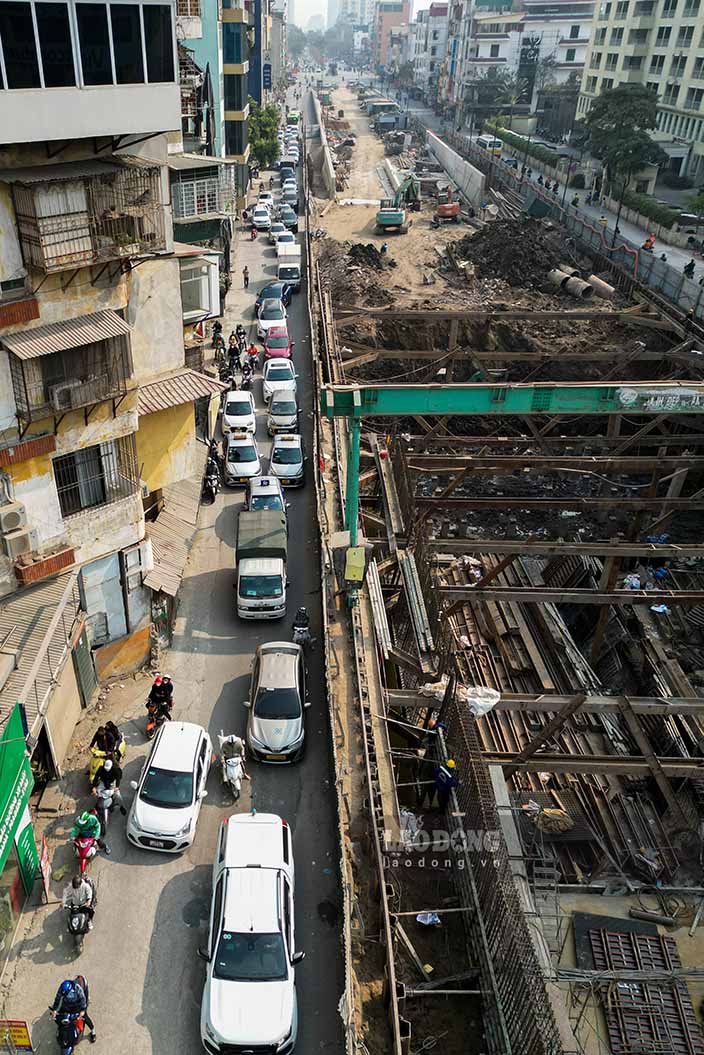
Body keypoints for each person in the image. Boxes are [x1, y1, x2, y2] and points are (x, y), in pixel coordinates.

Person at [50, 977, 96, 1044]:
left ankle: (93, 1031)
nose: (65, 995)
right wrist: (54, 1010)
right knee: (59, 1016)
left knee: (85, 1017)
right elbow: (58, 998)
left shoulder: (78, 989)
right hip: (67, 1004)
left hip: (77, 1003)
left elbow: (83, 999)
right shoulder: (62, 988)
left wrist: (83, 1010)